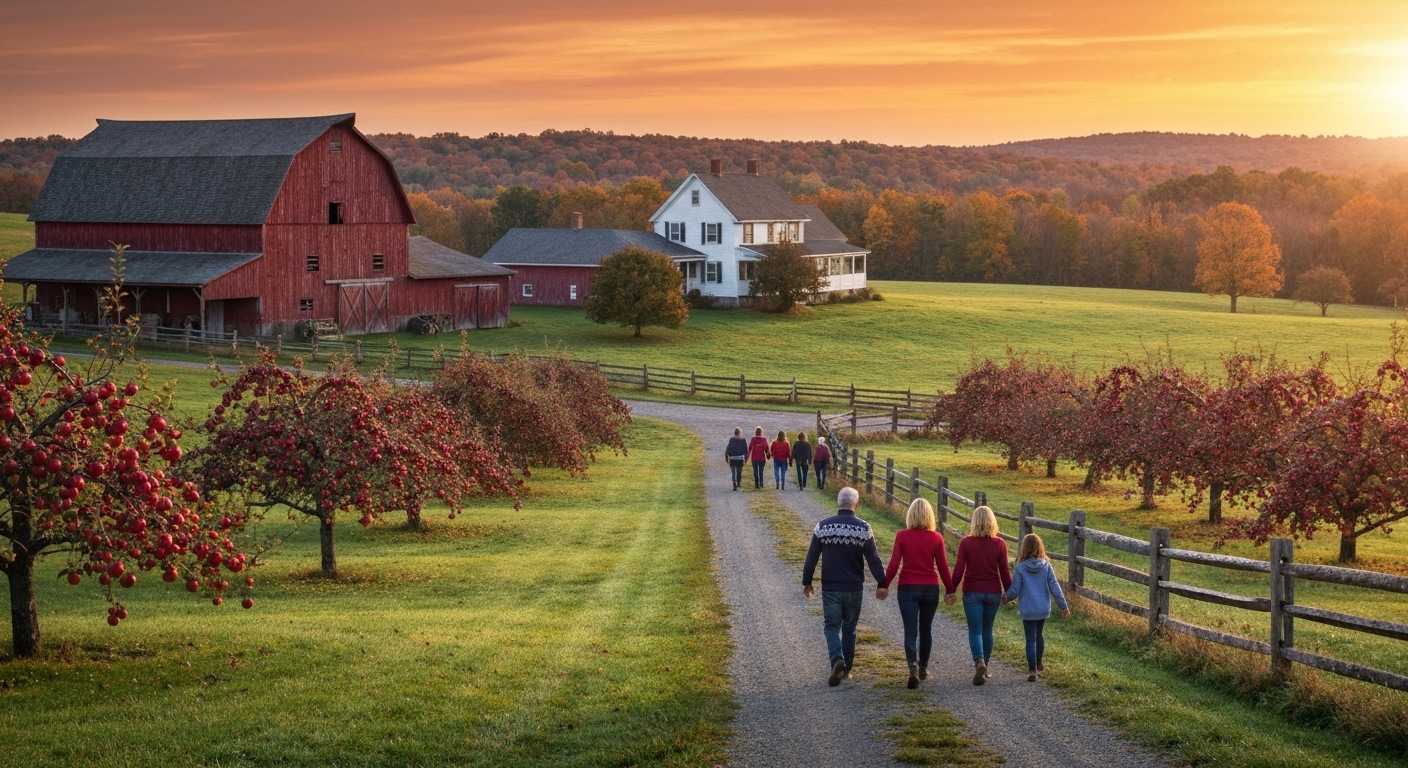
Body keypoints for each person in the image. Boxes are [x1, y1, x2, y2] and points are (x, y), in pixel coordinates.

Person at [803, 486, 888, 686]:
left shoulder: (822, 527)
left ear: (838, 503)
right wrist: (882, 583)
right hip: (854, 587)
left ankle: (836, 659)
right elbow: (874, 560)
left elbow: (811, 557)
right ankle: (845, 669)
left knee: (831, 626)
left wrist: (807, 581)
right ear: (855, 504)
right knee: (850, 629)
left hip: (831, 587)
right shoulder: (864, 528)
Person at [883, 498, 952, 689]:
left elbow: (894, 564)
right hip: (930, 588)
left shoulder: (902, 536)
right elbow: (943, 567)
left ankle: (912, 667)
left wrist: (884, 584)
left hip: (907, 588)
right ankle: (923, 668)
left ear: (910, 515)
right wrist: (950, 589)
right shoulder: (937, 538)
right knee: (926, 629)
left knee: (910, 631)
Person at [945, 506, 1011, 686]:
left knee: (975, 630)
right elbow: (1004, 572)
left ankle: (979, 662)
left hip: (972, 592)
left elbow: (958, 570)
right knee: (987, 630)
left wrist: (951, 590)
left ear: (974, 521)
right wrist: (1010, 593)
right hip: (993, 592)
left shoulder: (966, 543)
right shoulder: (1000, 544)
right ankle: (986, 667)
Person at [1006, 533, 1070, 682]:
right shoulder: (1046, 566)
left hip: (1028, 609)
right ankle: (1039, 662)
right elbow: (1055, 587)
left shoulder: (1020, 568)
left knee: (1030, 639)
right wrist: (1063, 606)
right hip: (1042, 608)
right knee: (1039, 635)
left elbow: (1015, 589)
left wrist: (1006, 597)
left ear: (1024, 549)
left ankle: (1032, 670)